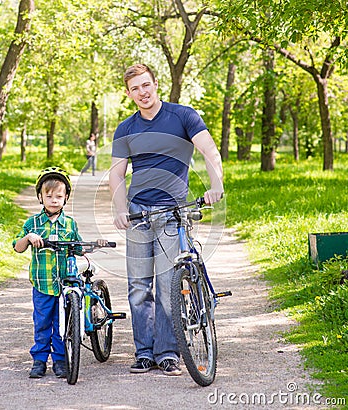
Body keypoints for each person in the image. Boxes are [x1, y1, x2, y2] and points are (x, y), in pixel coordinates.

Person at [109, 64, 224, 376]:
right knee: (137, 287)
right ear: (129, 93)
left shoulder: (183, 116)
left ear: (156, 84)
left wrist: (216, 186)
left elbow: (209, 152)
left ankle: (168, 352)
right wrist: (121, 209)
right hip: (139, 214)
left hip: (173, 213)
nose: (143, 92)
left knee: (166, 287)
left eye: (146, 85)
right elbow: (117, 174)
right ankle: (144, 353)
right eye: (135, 88)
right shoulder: (126, 128)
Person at [13, 167, 105, 379]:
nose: (54, 200)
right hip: (43, 284)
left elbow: (78, 247)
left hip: (65, 284)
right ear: (40, 197)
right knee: (43, 321)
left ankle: (61, 360)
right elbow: (17, 246)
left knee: (62, 323)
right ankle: (39, 360)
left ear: (65, 199)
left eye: (59, 196)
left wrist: (95, 244)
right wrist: (29, 238)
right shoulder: (33, 224)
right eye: (49, 196)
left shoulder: (70, 224)